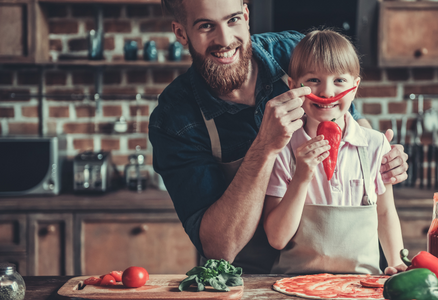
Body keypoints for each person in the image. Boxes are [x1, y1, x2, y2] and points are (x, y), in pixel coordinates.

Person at [150, 0, 409, 274]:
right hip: (247, 281)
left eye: (233, 20)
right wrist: (264, 147)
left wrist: (380, 156)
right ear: (181, 33)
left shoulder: (296, 51)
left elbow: (347, 116)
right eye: (205, 26)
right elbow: (219, 248)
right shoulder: (174, 119)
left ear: (247, 15)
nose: (225, 39)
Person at [263, 29, 407, 275]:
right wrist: (301, 176)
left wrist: (397, 263)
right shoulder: (282, 148)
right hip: (296, 284)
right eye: (313, 80)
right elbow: (277, 239)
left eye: (339, 80)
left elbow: (384, 213)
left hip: (361, 285)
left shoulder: (375, 145)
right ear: (292, 86)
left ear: (354, 87)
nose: (327, 92)